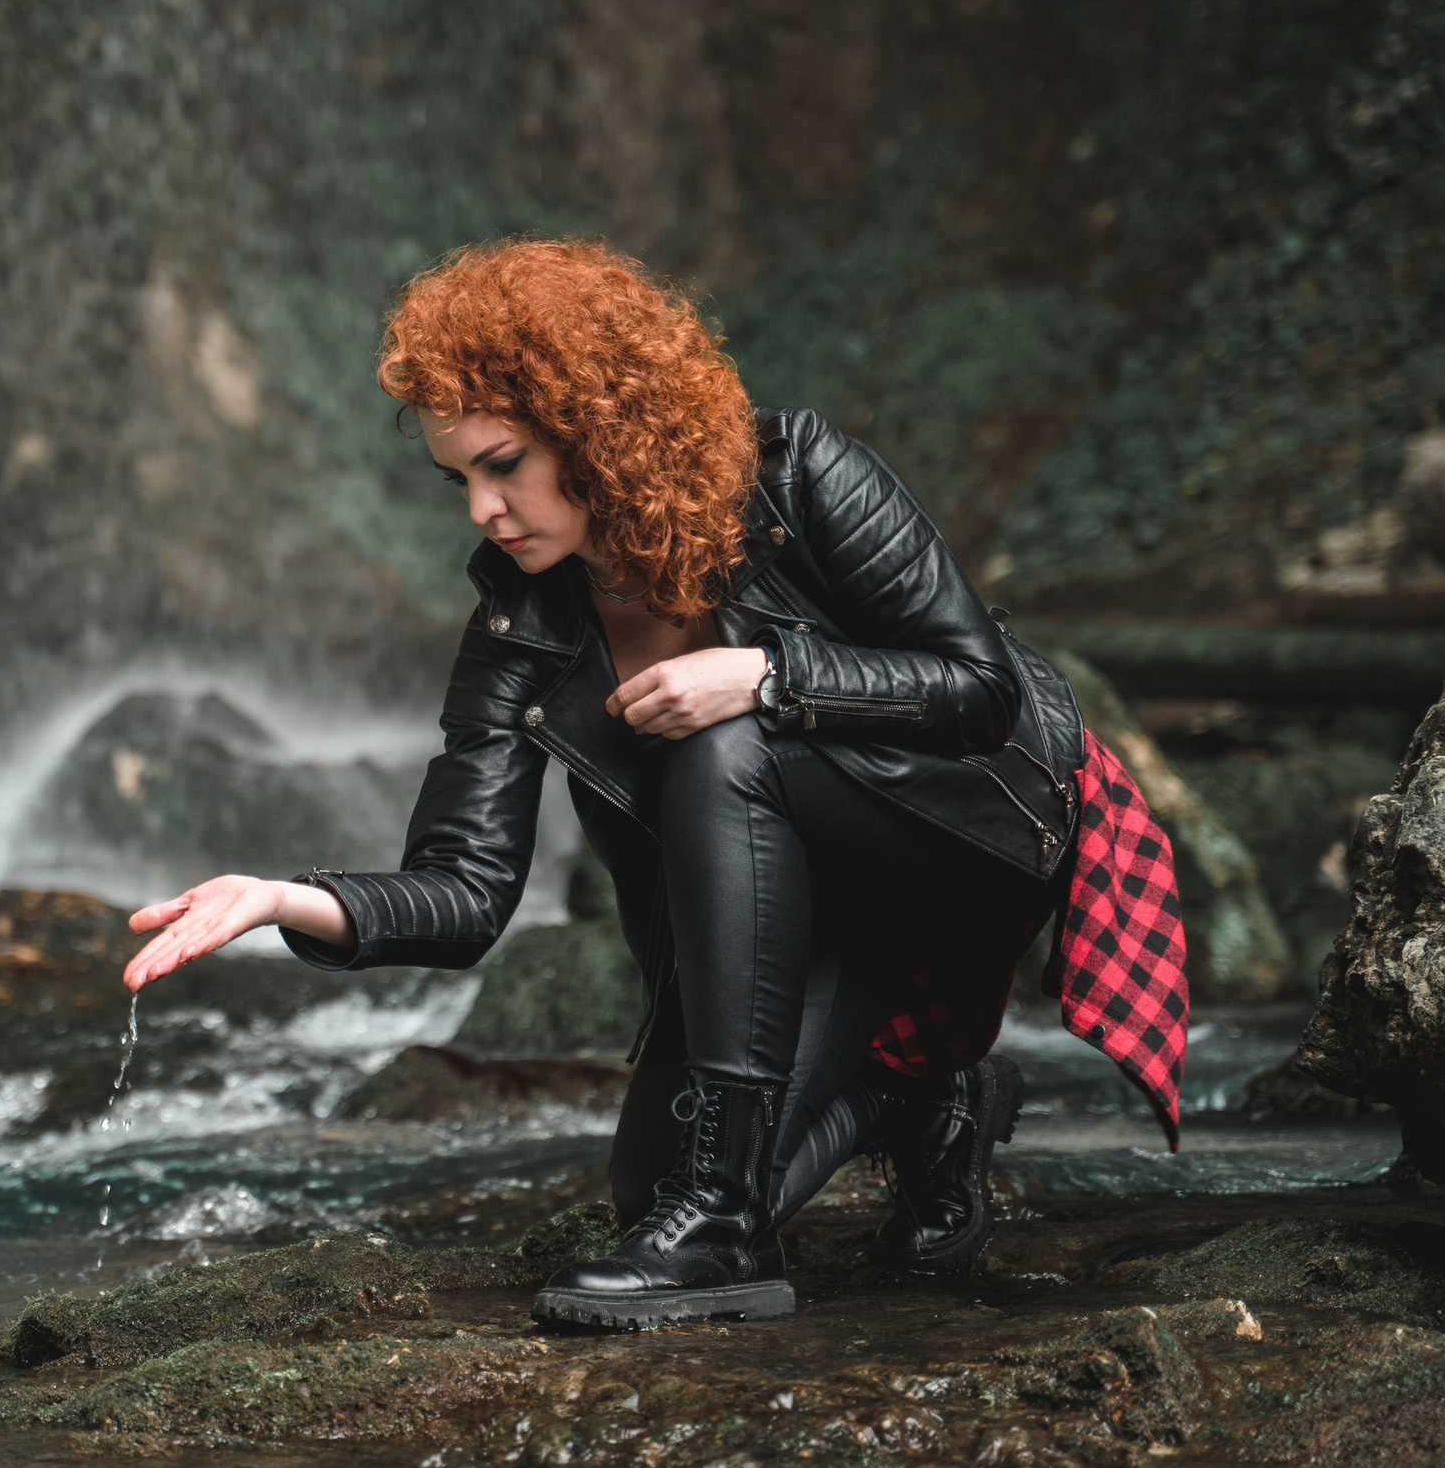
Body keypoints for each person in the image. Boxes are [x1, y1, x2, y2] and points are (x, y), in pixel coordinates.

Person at [121, 237, 1091, 1331]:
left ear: (597, 431)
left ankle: (724, 1228)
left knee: (726, 746)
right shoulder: (522, 626)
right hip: (782, 918)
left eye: (503, 465)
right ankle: (922, 1098)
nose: (482, 511)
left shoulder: (801, 477)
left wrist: (767, 676)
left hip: (950, 842)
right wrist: (278, 898)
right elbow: (467, 890)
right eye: (460, 480)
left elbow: (978, 689)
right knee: (647, 1196)